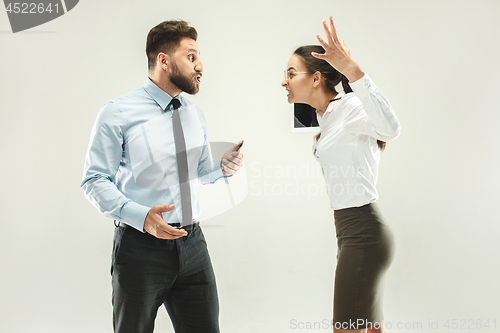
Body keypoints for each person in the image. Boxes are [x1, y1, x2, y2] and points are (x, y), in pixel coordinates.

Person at [80, 20, 243, 333]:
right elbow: (94, 180)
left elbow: (196, 175)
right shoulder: (117, 112)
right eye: (191, 56)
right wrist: (142, 217)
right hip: (140, 248)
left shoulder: (194, 114)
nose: (201, 65)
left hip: (193, 245)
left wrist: (219, 169)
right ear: (164, 60)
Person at [281, 16, 401, 333]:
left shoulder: (348, 108)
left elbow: (391, 129)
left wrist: (352, 71)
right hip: (350, 234)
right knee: (369, 328)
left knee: (346, 329)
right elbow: (315, 119)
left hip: (364, 233)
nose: (284, 81)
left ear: (317, 78)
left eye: (291, 74)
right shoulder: (324, 116)